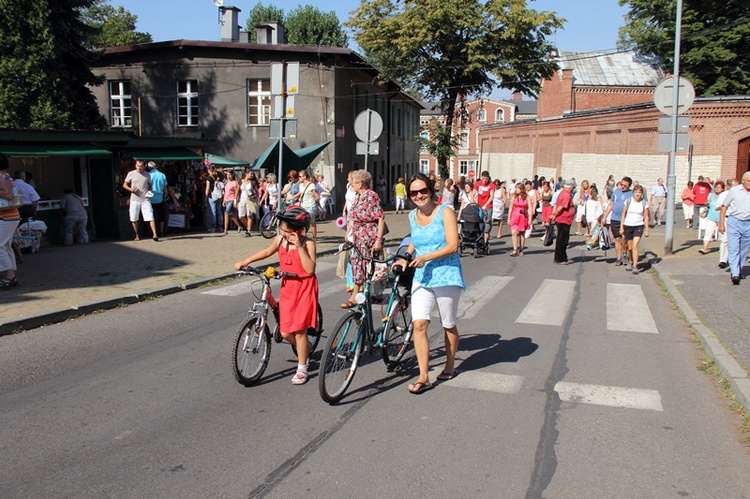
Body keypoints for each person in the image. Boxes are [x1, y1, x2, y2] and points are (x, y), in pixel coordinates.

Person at [233, 206, 318, 384]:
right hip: (288, 288)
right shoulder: (280, 240)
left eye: (287, 231)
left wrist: (299, 246)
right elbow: (266, 252)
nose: (283, 233)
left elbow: (309, 269)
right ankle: (305, 348)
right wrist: (245, 261)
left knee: (300, 330)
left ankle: (302, 368)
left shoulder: (308, 243)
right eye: (281, 230)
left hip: (304, 288)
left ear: (299, 230)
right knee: (286, 332)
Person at [397, 173, 464, 394]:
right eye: (414, 192)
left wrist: (426, 257)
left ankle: (450, 365)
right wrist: (406, 255)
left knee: (448, 323)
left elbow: (453, 245)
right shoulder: (412, 215)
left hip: (446, 274)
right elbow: (415, 239)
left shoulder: (445, 211)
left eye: (423, 191)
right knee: (419, 324)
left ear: (431, 191)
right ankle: (424, 376)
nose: (419, 195)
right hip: (422, 276)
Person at [341, 169, 386, 308]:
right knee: (357, 263)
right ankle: (359, 294)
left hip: (369, 235)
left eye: (354, 182)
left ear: (360, 184)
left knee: (368, 266)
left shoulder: (371, 196)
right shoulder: (357, 197)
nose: (352, 185)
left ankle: (361, 295)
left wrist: (378, 239)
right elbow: (352, 217)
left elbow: (380, 217)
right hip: (357, 235)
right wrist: (348, 233)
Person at [718, 172, 750, 285]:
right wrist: (721, 224)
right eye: (748, 181)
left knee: (744, 250)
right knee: (734, 248)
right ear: (743, 181)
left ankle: (738, 268)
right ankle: (735, 273)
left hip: (748, 223)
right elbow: (724, 207)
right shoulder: (734, 191)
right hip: (734, 221)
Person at [123, 159, 159, 241]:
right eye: (138, 166)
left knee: (150, 216)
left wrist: (149, 191)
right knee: (134, 217)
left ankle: (155, 234)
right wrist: (131, 189)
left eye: (141, 166)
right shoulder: (131, 174)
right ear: (135, 166)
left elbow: (150, 185)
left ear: (144, 166)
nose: (139, 168)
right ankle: (136, 235)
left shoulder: (147, 175)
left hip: (145, 199)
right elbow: (124, 184)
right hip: (134, 199)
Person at [603, 176, 634, 266]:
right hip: (615, 219)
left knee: (624, 239)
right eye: (622, 184)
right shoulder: (616, 192)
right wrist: (604, 217)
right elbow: (610, 205)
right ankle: (619, 257)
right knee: (617, 239)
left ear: (629, 186)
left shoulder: (631, 194)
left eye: (625, 185)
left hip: (626, 220)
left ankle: (625, 253)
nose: (622, 187)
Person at [0, 154, 20, 288]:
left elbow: (8, 195)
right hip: (12, 215)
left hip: (6, 216)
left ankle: (10, 275)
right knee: (6, 245)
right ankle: (11, 275)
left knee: (0, 245)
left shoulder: (1, 177)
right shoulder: (6, 175)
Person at [620, 184, 650, 274]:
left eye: (639, 192)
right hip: (628, 225)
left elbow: (646, 217)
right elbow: (623, 214)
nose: (638, 194)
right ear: (633, 193)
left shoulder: (644, 203)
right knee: (629, 247)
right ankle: (630, 260)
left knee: (635, 245)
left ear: (642, 193)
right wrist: (621, 227)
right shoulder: (628, 201)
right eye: (636, 192)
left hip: (639, 225)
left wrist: (647, 229)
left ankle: (635, 266)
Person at [550, 180, 576, 264]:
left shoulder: (562, 193)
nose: (573, 189)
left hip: (565, 220)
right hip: (563, 220)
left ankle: (564, 257)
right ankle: (559, 258)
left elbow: (556, 205)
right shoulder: (566, 195)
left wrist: (554, 214)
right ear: (570, 187)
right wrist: (555, 214)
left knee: (564, 239)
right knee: (562, 240)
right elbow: (560, 207)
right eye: (573, 187)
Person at [699, 181, 724, 255]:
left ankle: (722, 249)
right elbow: (706, 202)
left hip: (721, 217)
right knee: (708, 232)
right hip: (711, 216)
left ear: (722, 188)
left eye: (719, 187)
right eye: (716, 187)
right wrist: (706, 203)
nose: (717, 189)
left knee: (722, 234)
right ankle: (705, 248)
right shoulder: (711, 195)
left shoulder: (724, 195)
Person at [508, 182, 532, 256]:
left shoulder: (527, 197)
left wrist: (530, 218)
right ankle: (515, 249)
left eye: (518, 188)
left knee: (522, 234)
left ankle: (521, 249)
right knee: (514, 233)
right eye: (516, 188)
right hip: (515, 216)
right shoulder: (514, 197)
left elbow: (530, 208)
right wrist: (509, 218)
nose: (516, 190)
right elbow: (511, 207)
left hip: (523, 216)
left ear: (521, 189)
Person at [474, 171, 495, 248]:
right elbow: (474, 193)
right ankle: (478, 238)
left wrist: (486, 205)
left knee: (487, 223)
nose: (484, 180)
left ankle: (485, 241)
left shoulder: (491, 185)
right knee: (478, 222)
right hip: (479, 205)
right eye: (483, 178)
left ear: (488, 178)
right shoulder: (478, 183)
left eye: (486, 179)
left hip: (488, 206)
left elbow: (491, 196)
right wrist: (475, 202)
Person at [147, 161, 169, 236]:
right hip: (160, 197)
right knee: (161, 215)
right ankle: (161, 231)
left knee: (151, 215)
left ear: (149, 167)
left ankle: (153, 232)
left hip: (150, 198)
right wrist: (166, 195)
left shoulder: (148, 175)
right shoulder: (162, 175)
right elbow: (165, 188)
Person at [297, 170, 320, 239]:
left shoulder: (311, 185)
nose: (299, 178)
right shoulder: (300, 185)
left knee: (311, 223)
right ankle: (303, 237)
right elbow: (300, 194)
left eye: (300, 176)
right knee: (302, 223)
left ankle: (314, 237)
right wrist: (299, 199)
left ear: (304, 177)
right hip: (302, 206)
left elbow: (317, 197)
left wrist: (312, 201)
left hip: (310, 207)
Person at [237, 170, 258, 236]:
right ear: (246, 174)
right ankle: (248, 226)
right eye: (250, 173)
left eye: (252, 174)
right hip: (242, 200)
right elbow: (237, 191)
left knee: (249, 215)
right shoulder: (241, 181)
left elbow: (256, 193)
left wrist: (252, 196)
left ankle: (248, 231)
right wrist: (236, 200)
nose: (251, 175)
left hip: (249, 200)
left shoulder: (252, 182)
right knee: (240, 216)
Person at [222, 170, 243, 235]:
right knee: (231, 214)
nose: (228, 176)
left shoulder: (234, 183)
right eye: (227, 175)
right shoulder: (226, 182)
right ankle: (239, 226)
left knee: (226, 213)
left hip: (232, 199)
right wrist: (224, 200)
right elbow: (225, 192)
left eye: (229, 175)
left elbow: (236, 192)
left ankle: (225, 230)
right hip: (227, 199)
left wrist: (235, 200)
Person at [584, 185, 604, 250]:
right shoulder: (597, 202)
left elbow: (584, 210)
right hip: (595, 219)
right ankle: (590, 244)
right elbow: (600, 211)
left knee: (589, 232)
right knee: (595, 233)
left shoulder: (587, 201)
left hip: (588, 218)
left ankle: (589, 243)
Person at [205, 167, 224, 233]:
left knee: (213, 212)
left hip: (212, 196)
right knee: (219, 211)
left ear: (209, 170)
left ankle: (213, 227)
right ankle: (220, 226)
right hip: (218, 196)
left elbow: (207, 188)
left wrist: (206, 196)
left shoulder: (208, 178)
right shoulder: (217, 177)